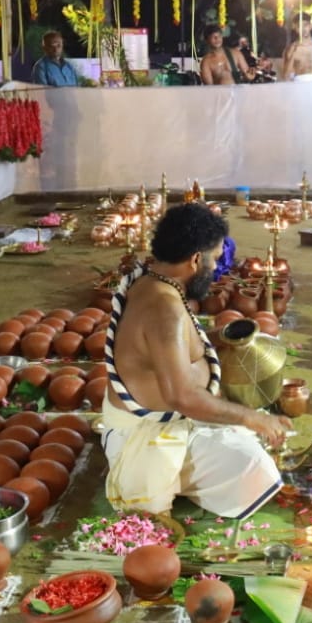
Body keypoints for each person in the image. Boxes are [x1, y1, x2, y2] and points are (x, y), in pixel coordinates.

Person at [99, 204, 288, 519]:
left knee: (241, 427)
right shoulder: (164, 309)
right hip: (146, 441)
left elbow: (162, 349)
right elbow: (182, 397)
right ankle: (169, 484)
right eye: (214, 258)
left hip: (156, 420)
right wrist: (251, 418)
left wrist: (212, 341)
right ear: (196, 259)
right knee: (254, 464)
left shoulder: (149, 280)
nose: (216, 268)